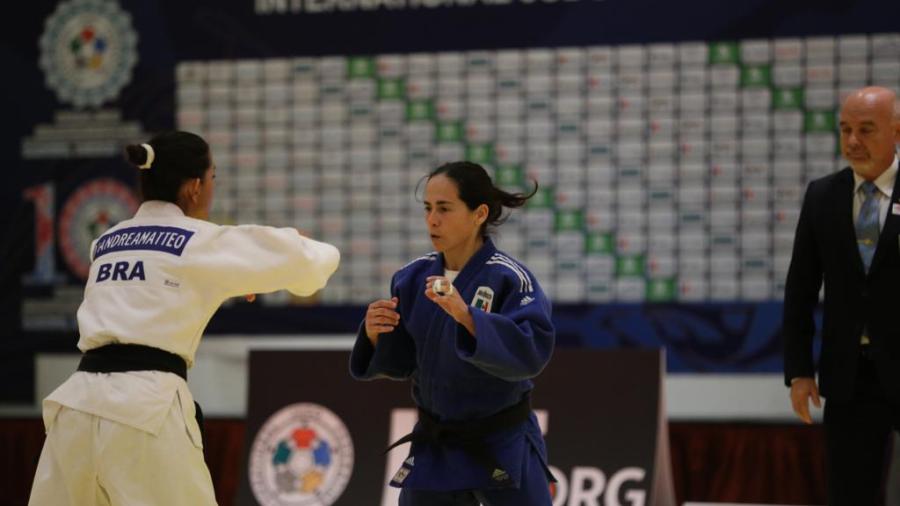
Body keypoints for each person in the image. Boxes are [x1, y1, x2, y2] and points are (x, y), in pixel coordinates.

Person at [28, 131, 340, 505]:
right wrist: (280, 255)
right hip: (144, 413)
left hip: (75, 409)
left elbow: (158, 279)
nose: (212, 189)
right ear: (194, 187)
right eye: (212, 178)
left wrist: (224, 279)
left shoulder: (106, 242)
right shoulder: (199, 240)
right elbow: (312, 259)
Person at [350, 161, 555, 506]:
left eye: (444, 208)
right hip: (437, 443)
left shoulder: (509, 278)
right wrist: (374, 333)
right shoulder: (411, 278)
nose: (432, 219)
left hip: (501, 441)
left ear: (479, 214)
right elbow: (402, 362)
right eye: (428, 208)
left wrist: (467, 316)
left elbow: (530, 351)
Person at [783, 86, 900, 505]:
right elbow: (800, 289)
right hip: (850, 377)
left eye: (866, 130)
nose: (852, 141)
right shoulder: (822, 196)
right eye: (845, 129)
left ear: (896, 131)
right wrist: (799, 371)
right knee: (851, 494)